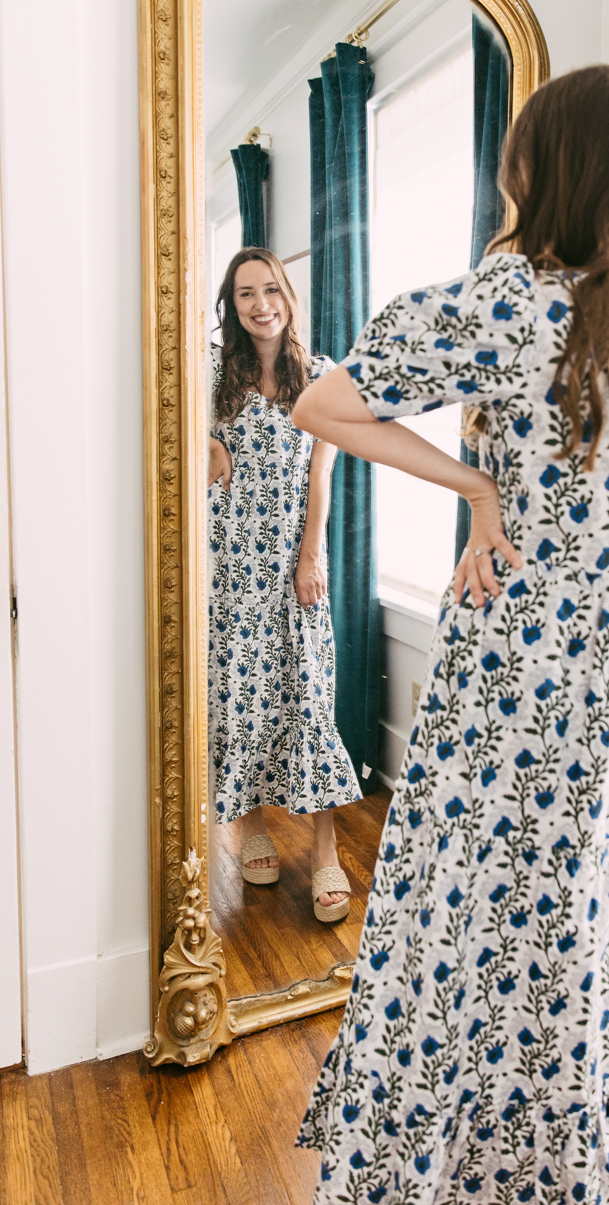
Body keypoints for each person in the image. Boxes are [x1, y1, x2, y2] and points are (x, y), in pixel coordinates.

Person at [292, 66, 609, 1199]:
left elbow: (324, 401)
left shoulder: (522, 299)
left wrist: (477, 490)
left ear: (551, 171)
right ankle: (535, 1161)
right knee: (563, 924)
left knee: (456, 908)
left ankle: (433, 1159)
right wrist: (492, 485)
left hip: (517, 673)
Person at [208, 247, 361, 920]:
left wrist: (310, 558)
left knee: (309, 700)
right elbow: (185, 444)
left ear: (289, 297)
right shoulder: (212, 374)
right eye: (244, 294)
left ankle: (326, 850)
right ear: (231, 306)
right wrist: (209, 445)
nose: (259, 304)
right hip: (231, 565)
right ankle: (249, 829)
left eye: (269, 289)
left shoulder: (321, 376)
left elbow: (320, 475)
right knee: (240, 703)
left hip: (293, 564)